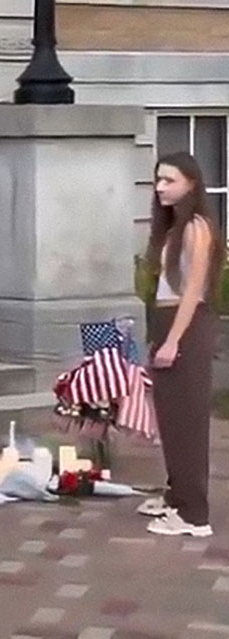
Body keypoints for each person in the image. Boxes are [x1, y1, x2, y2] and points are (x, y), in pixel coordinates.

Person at [136, 152, 225, 537]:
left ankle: (194, 514)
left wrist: (173, 341)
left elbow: (193, 291)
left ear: (191, 183)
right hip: (166, 320)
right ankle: (178, 495)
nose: (160, 188)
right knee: (171, 421)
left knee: (187, 422)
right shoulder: (173, 227)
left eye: (169, 180)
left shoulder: (197, 228)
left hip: (186, 325)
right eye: (158, 180)